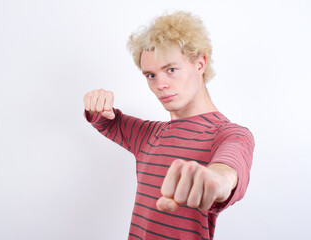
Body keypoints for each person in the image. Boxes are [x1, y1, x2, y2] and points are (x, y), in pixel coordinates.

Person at [83, 11, 254, 240]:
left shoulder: (229, 134)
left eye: (171, 70)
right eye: (151, 75)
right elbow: (106, 122)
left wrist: (217, 180)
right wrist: (97, 104)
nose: (160, 84)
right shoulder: (148, 135)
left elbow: (229, 168)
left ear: (200, 63)